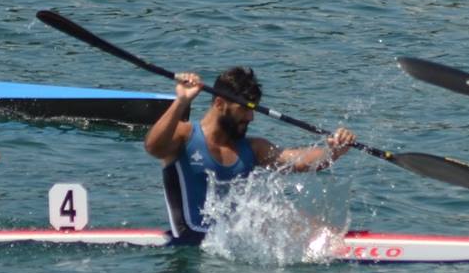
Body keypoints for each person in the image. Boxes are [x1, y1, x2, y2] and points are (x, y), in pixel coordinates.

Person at [144, 67, 356, 243]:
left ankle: (337, 242)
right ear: (219, 103)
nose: (251, 117)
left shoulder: (252, 148)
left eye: (252, 109)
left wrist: (334, 150)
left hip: (231, 246)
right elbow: (152, 147)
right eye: (244, 109)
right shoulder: (185, 135)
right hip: (190, 243)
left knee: (294, 219)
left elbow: (299, 162)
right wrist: (181, 101)